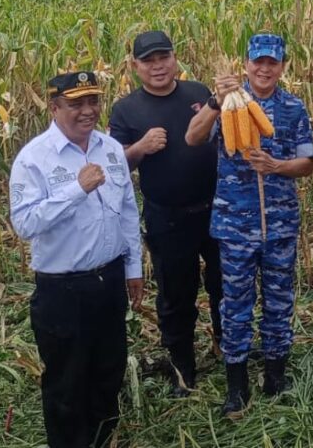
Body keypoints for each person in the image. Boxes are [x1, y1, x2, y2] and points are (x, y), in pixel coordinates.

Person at [9, 71, 143, 448]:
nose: (87, 111)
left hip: (110, 279)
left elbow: (128, 211)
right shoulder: (34, 158)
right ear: (54, 108)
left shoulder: (111, 149)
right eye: (75, 104)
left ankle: (104, 439)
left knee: (108, 371)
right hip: (62, 289)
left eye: (93, 102)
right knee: (67, 381)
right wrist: (76, 190)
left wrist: (133, 270)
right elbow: (24, 223)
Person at [185, 33, 313, 419]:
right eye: (258, 61)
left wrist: (276, 166)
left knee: (278, 301)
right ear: (247, 64)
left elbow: (307, 164)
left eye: (272, 62)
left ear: (282, 66)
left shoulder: (293, 108)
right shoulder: (226, 104)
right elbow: (192, 138)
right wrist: (215, 100)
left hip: (279, 224)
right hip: (235, 225)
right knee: (236, 304)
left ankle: (275, 376)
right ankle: (236, 384)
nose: (264, 68)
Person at [108, 30, 222, 394]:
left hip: (216, 210)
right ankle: (182, 367)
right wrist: (139, 147)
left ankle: (227, 346)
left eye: (163, 57)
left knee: (224, 285)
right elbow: (113, 167)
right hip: (168, 217)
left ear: (175, 58)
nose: (157, 66)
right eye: (148, 60)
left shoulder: (199, 93)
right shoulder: (126, 110)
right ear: (135, 66)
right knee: (176, 295)